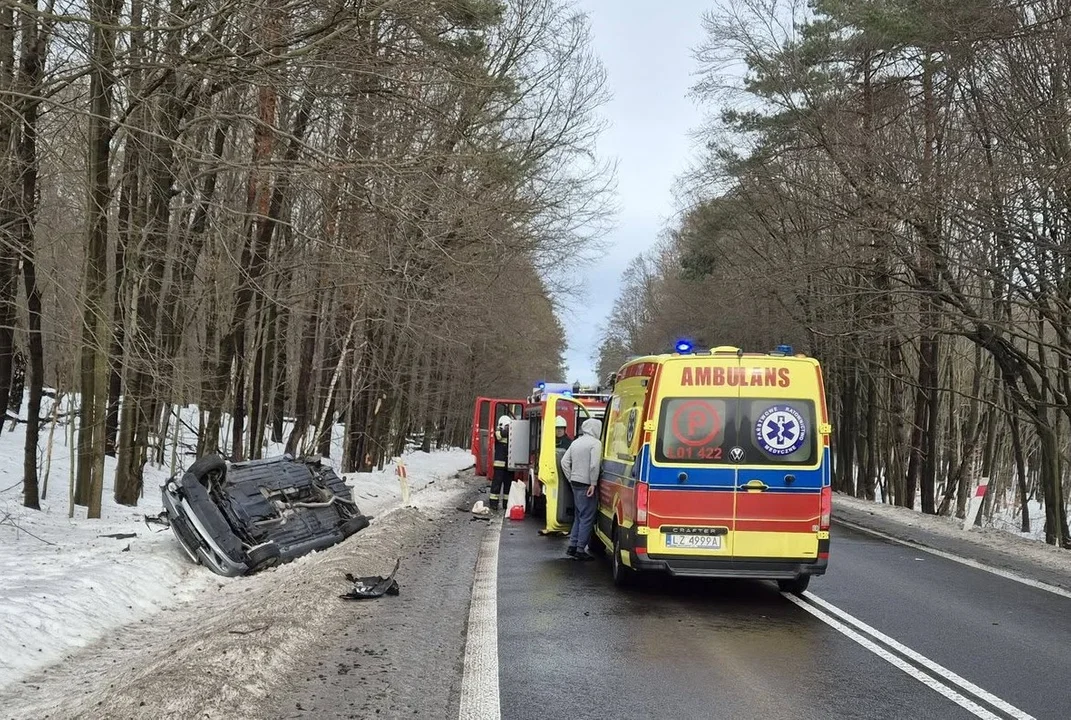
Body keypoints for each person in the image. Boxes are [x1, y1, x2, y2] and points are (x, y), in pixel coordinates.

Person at [560, 418, 602, 560]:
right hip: (587, 484)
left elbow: (564, 462)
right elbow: (594, 465)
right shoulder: (596, 444)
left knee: (579, 515)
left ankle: (572, 545)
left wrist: (571, 477)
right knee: (587, 517)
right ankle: (580, 549)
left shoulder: (576, 442)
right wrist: (593, 483)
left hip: (575, 482)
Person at [490, 415, 512, 511]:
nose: (508, 427)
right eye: (507, 426)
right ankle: (493, 503)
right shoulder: (498, 432)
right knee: (496, 485)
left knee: (508, 485)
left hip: (509, 465)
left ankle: (506, 503)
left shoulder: (511, 433)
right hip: (499, 465)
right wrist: (509, 429)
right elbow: (500, 435)